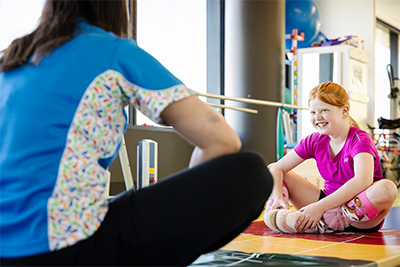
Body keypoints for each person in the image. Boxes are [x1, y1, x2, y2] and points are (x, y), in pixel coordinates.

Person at [0, 1, 273, 265]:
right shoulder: (111, 51)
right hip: (64, 247)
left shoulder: (13, 57)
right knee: (251, 172)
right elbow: (221, 139)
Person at [264, 82, 398, 234]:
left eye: (324, 110)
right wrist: (278, 198)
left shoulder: (360, 139)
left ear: (344, 111)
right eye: (313, 112)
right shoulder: (314, 140)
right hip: (326, 204)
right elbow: (277, 168)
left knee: (387, 188)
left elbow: (363, 180)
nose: (317, 117)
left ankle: (321, 222)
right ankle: (301, 216)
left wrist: (319, 207)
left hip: (358, 215)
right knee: (273, 170)